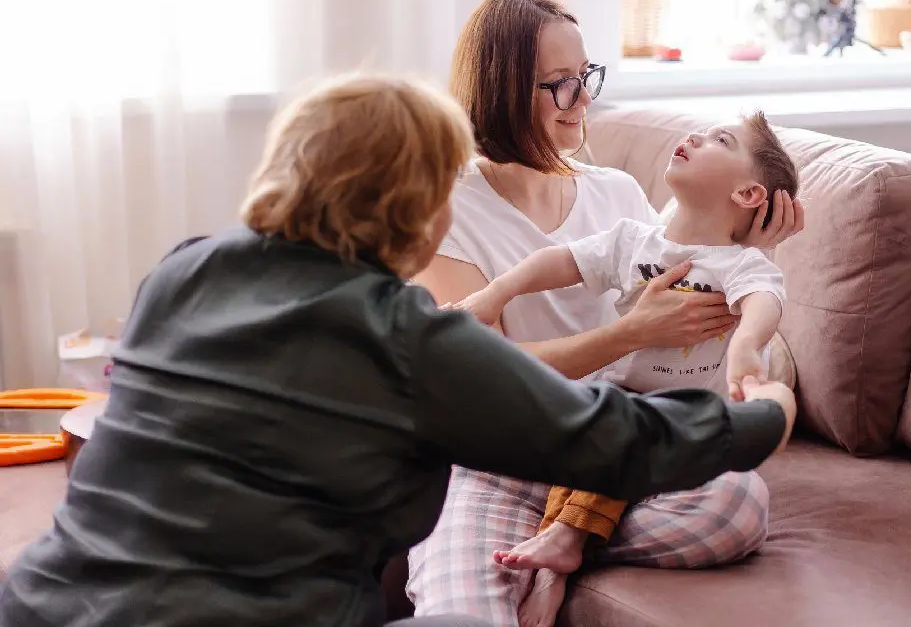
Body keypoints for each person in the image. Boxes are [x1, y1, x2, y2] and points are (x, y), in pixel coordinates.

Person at [0, 75, 796, 627]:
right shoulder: (409, 338)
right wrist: (766, 412)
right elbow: (616, 438)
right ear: (416, 206)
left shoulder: (180, 271)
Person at [406, 0, 806, 627]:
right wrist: (627, 333)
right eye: (560, 84)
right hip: (498, 461)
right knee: (462, 613)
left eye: (586, 75)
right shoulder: (445, 208)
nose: (584, 98)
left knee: (736, 504)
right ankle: (553, 540)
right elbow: (473, 374)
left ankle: (568, 543)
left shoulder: (617, 195)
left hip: (614, 460)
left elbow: (686, 282)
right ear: (504, 90)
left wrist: (743, 254)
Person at [449, 109, 800, 589]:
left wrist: (745, 346)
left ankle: (563, 552)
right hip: (613, 403)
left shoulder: (738, 264)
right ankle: (564, 547)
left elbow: (765, 301)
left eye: (721, 140)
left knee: (712, 489)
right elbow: (556, 262)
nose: (695, 134)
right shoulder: (632, 241)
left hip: (678, 419)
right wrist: (494, 295)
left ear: (746, 194)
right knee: (602, 430)